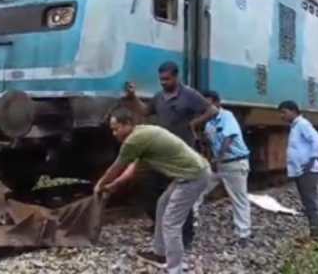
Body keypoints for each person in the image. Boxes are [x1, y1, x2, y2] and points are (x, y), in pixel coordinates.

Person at [95, 108, 212, 274]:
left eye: (116, 128)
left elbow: (116, 168)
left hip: (194, 176)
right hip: (188, 174)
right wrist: (114, 185)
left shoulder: (134, 140)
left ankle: (175, 269)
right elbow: (132, 168)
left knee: (171, 223)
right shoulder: (142, 133)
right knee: (162, 204)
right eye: (112, 129)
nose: (114, 133)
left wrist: (99, 185)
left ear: (128, 124)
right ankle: (160, 253)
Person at [122, 61, 218, 245]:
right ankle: (158, 223)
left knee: (181, 194)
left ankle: (186, 236)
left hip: (182, 153)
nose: (163, 82)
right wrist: (132, 97)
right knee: (148, 186)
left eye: (166, 79)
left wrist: (193, 124)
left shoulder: (189, 95)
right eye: (161, 79)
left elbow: (212, 110)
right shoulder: (159, 97)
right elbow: (144, 111)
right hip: (161, 152)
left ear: (176, 77)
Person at [196, 90, 252, 246]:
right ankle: (191, 225)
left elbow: (229, 137)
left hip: (234, 162)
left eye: (209, 104)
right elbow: (209, 144)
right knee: (197, 189)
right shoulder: (208, 124)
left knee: (238, 198)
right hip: (218, 165)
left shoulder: (227, 116)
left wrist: (217, 158)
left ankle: (243, 234)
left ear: (217, 103)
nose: (206, 108)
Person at [278, 100, 318, 239]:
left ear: (293, 111)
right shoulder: (295, 126)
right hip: (302, 170)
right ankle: (314, 232)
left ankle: (316, 234)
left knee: (309, 202)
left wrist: (312, 159)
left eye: (284, 112)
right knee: (307, 201)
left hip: (307, 170)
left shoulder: (302, 124)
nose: (282, 116)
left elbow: (316, 140)